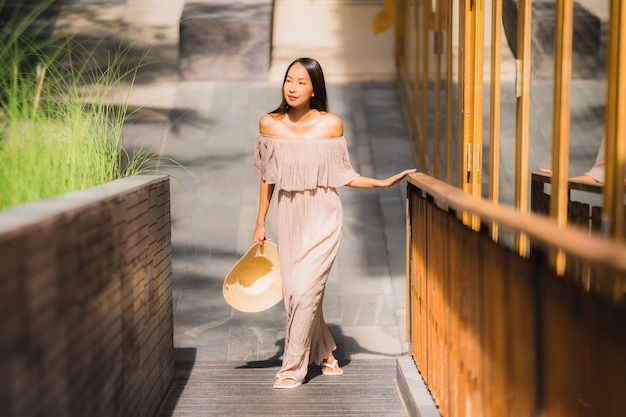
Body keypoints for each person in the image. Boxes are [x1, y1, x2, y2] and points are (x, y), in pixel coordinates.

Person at [252, 57, 416, 389]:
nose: (293, 87)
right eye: (289, 80)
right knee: (297, 295)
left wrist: (383, 183)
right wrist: (260, 223)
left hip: (324, 215)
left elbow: (343, 174)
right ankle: (326, 352)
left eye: (301, 82)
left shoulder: (331, 124)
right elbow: (267, 178)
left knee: (304, 291)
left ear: (315, 89)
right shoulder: (269, 123)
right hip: (288, 215)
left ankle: (292, 367)